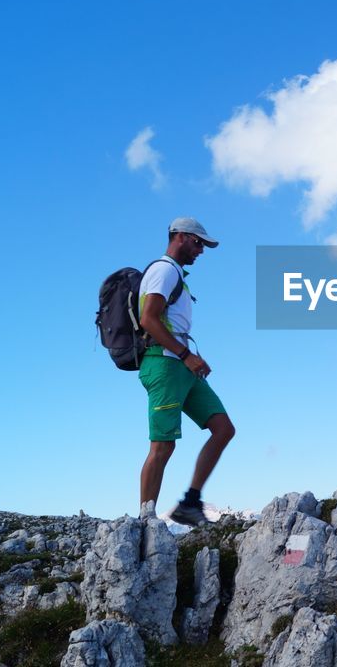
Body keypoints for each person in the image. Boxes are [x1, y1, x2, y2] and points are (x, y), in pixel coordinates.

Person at [137, 217, 234, 526]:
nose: (201, 250)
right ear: (179, 236)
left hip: (180, 365)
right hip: (164, 365)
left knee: (223, 428)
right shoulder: (163, 270)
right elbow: (148, 319)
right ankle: (145, 521)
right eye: (198, 242)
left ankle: (190, 502)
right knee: (162, 445)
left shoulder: (177, 275)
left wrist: (188, 356)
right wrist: (184, 354)